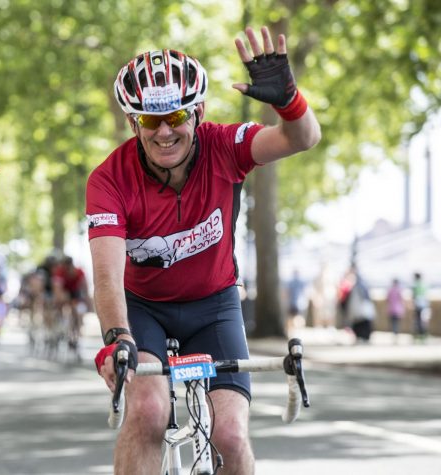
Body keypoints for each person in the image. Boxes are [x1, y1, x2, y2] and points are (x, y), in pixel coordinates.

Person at [86, 26, 320, 474]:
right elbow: (106, 278)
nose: (164, 132)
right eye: (150, 121)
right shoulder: (109, 179)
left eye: (176, 117)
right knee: (149, 412)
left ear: (199, 112)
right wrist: (118, 339)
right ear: (134, 122)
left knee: (230, 435)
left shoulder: (224, 146)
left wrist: (288, 102)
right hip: (144, 310)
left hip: (215, 306)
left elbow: (302, 138)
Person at [411, 272, 430, 343]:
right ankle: (424, 334)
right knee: (424, 320)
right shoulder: (424, 284)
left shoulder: (415, 285)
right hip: (425, 305)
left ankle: (419, 334)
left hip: (418, 305)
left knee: (418, 321)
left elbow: (414, 296)